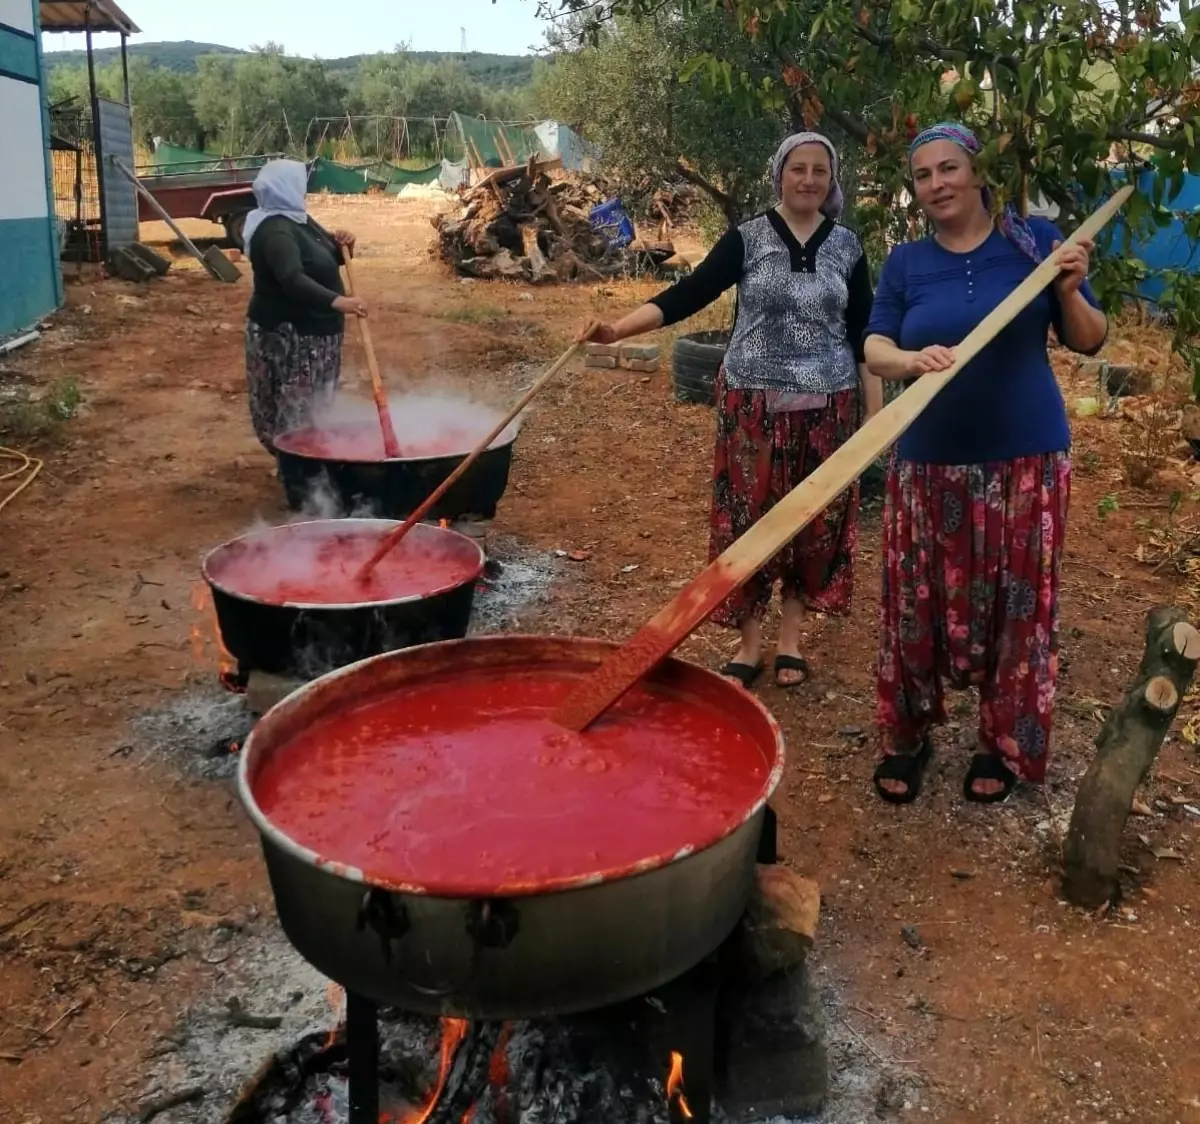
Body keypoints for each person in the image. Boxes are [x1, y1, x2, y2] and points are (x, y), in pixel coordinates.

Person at [863, 122, 1108, 805]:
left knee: (1018, 611)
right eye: (923, 175)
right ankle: (907, 736)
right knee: (915, 607)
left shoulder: (1033, 245)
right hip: (928, 461)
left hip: (1026, 461)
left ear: (975, 173)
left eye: (948, 169)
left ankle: (1001, 744)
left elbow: (1091, 339)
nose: (937, 183)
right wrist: (912, 361)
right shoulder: (906, 262)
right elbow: (875, 346)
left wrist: (1068, 290)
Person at [581, 133, 879, 688]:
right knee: (747, 519)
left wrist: (874, 419)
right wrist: (616, 329)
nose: (809, 179)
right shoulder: (749, 238)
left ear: (831, 179)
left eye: (820, 170)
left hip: (829, 408)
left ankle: (791, 638)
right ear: (779, 174)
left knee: (813, 522)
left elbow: (866, 335)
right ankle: (750, 642)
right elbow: (687, 295)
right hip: (753, 407)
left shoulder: (848, 246)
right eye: (798, 169)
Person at [243, 159, 367, 455]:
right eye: (301, 185)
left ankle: (305, 464)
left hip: (317, 333)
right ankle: (296, 468)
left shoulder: (299, 220)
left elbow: (324, 259)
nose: (305, 192)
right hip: (292, 335)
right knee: (295, 408)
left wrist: (345, 245)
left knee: (313, 407)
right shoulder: (276, 232)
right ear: (286, 188)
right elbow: (292, 279)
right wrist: (339, 302)